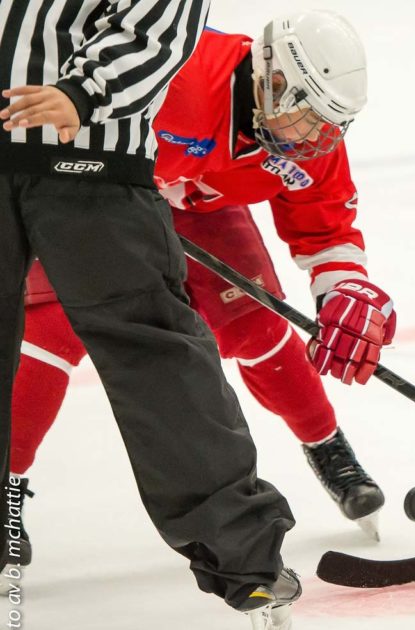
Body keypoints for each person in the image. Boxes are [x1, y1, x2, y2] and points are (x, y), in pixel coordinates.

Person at [7, 8, 394, 564]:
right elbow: (72, 103)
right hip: (101, 190)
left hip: (197, 206)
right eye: (310, 115)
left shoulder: (308, 137)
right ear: (273, 81)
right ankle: (7, 485)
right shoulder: (182, 73)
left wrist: (344, 291)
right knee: (54, 327)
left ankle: (328, 445)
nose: (319, 137)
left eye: (332, 123)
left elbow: (326, 228)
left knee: (257, 323)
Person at [0, 1, 300, 627]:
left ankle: (240, 555)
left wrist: (82, 91)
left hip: (89, 157)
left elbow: (160, 25)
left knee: (154, 350)